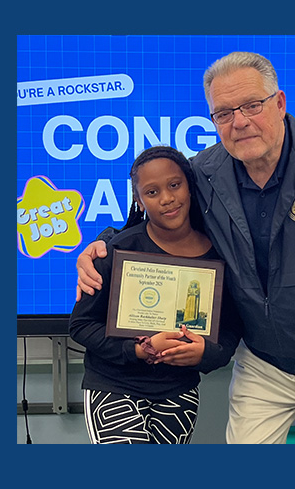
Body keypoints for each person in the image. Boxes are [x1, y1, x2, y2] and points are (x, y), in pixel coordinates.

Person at [77, 51, 295, 444]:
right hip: (263, 361)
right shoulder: (204, 173)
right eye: (224, 113)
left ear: (280, 103)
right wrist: (102, 243)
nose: (240, 122)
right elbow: (160, 223)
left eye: (252, 105)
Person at [70, 146, 243, 444]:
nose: (166, 198)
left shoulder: (220, 256)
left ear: (190, 186)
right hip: (113, 386)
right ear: (139, 200)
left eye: (174, 185)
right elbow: (81, 326)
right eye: (152, 192)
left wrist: (206, 354)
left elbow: (229, 331)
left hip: (178, 392)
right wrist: (139, 350)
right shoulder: (115, 251)